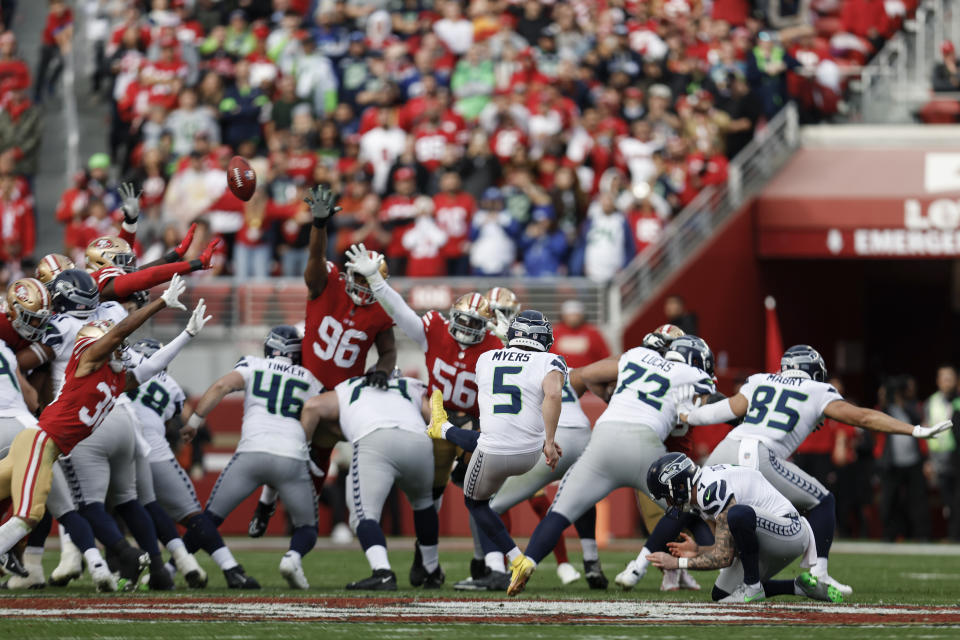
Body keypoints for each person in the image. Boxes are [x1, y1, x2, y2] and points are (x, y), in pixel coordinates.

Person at [681, 346, 951, 595]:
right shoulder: (818, 391)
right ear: (815, 372)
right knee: (823, 500)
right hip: (760, 453)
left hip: (727, 447)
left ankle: (689, 563)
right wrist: (914, 430)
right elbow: (864, 417)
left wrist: (686, 416)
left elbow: (721, 411)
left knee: (701, 503)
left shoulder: (759, 380)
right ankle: (818, 572)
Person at [0, 274, 191, 574]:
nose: (121, 348)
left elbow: (149, 367)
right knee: (29, 514)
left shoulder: (114, 380)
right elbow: (116, 335)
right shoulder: (87, 360)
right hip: (41, 443)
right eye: (114, 343)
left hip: (40, 444)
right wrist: (159, 303)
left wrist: (186, 335)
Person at [346, 242, 505, 588]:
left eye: (473, 323)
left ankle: (491, 564)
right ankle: (428, 563)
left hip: (476, 427)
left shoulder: (495, 346)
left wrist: (514, 346)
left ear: (486, 326)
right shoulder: (434, 328)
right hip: (437, 422)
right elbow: (401, 312)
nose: (464, 328)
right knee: (427, 498)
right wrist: (376, 282)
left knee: (480, 495)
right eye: (461, 320)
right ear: (451, 316)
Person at [508, 336, 717, 596]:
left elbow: (585, 375)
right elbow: (715, 401)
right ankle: (645, 568)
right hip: (645, 443)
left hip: (605, 436)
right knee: (686, 506)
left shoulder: (635, 355)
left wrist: (611, 395)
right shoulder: (687, 373)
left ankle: (528, 562)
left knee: (560, 512)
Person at [247, 186, 396, 537]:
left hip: (341, 396)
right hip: (304, 384)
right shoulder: (325, 283)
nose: (362, 286)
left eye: (369, 280)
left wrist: (381, 371)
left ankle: (313, 524)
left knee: (317, 464)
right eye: (358, 278)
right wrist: (318, 227)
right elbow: (314, 261)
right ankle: (267, 504)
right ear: (347, 273)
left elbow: (388, 352)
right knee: (288, 451)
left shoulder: (380, 312)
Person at [427, 310, 567, 596]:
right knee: (489, 438)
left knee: (476, 503)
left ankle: (517, 559)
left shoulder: (485, 358)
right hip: (531, 452)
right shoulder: (551, 360)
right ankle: (442, 428)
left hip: (494, 450)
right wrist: (549, 441)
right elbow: (551, 394)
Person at [186, 326, 322, 589]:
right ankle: (292, 558)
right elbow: (319, 415)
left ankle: (171, 566)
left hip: (251, 452)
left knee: (209, 518)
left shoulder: (252, 364)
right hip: (291, 455)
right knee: (307, 528)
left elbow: (222, 386)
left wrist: (194, 421)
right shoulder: (310, 378)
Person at [300, 372, 443, 590]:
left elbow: (312, 407)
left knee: (363, 514)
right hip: (418, 440)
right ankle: (432, 571)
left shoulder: (349, 386)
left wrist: (305, 446)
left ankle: (382, 572)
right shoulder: (408, 386)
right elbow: (434, 417)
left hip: (375, 440)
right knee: (424, 503)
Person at [645, 453, 842, 604]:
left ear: (679, 486)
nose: (670, 503)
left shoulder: (710, 490)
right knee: (722, 594)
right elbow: (730, 550)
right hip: (769, 535)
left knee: (738, 514)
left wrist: (677, 564)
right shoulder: (701, 496)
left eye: (668, 496)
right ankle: (798, 586)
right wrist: (698, 551)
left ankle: (752, 587)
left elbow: (724, 557)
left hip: (791, 530)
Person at [925, 365, 957, 538]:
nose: (947, 382)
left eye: (950, 378)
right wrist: (928, 461)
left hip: (957, 458)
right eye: (944, 378)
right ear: (938, 381)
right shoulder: (932, 403)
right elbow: (925, 429)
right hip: (940, 460)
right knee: (948, 501)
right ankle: (952, 536)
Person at [551, 300, 611, 369]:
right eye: (570, 315)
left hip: (588, 375)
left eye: (576, 315)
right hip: (558, 375)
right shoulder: (554, 332)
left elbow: (604, 356)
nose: (573, 318)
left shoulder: (593, 333)